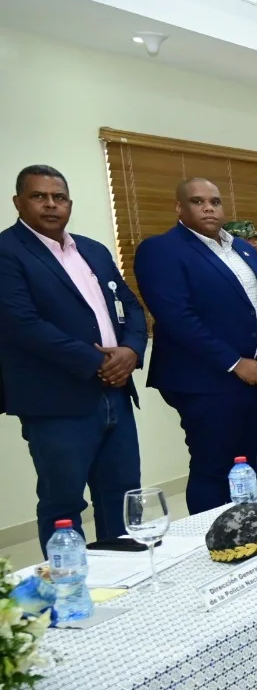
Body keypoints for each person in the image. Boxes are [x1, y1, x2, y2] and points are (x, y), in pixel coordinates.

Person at [0, 165, 146, 551]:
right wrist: (98, 362)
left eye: (59, 197)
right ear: (18, 202)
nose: (51, 204)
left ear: (69, 203)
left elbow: (130, 306)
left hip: (116, 395)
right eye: (39, 196)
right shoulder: (7, 251)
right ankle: (72, 584)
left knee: (123, 496)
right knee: (63, 504)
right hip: (56, 401)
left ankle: (126, 576)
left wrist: (131, 350)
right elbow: (22, 324)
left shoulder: (92, 250)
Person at [135, 178, 257, 512]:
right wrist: (236, 363)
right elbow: (178, 318)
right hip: (205, 380)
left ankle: (251, 530)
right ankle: (211, 538)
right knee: (214, 466)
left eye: (215, 202)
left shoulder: (242, 249)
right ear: (179, 207)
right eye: (197, 201)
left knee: (252, 467)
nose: (208, 208)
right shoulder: (160, 250)